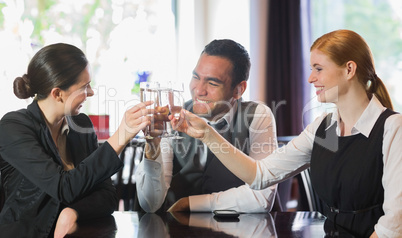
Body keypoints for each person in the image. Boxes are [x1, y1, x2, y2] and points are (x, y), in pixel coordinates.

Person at [170, 29, 402, 237]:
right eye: (311, 69)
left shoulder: (392, 128)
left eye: (318, 69)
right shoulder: (325, 128)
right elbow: (260, 175)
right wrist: (207, 134)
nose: (311, 78)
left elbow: (393, 227)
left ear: (349, 69)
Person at [0, 43, 152, 238]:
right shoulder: (13, 127)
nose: (91, 92)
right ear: (57, 94)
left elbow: (108, 197)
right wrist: (120, 137)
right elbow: (63, 187)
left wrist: (72, 212)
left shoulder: (81, 125)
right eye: (84, 86)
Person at [135, 39, 278, 213]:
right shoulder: (173, 117)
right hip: (177, 230)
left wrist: (191, 203)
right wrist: (152, 146)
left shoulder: (257, 115)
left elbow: (261, 198)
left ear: (239, 90)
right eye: (196, 77)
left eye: (212, 83)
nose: (199, 90)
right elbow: (151, 204)